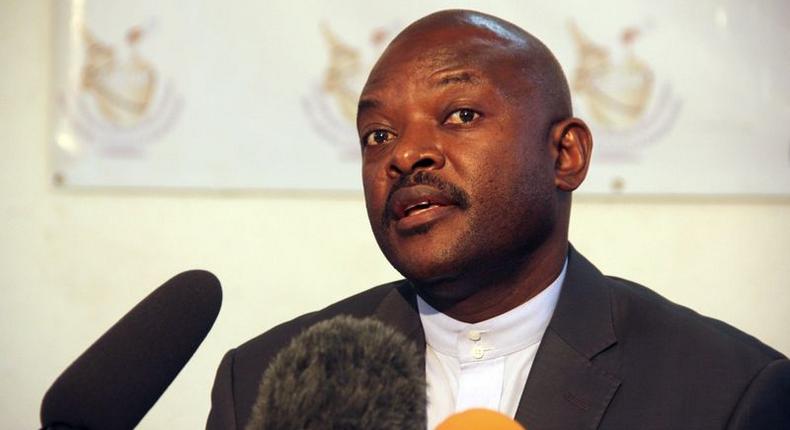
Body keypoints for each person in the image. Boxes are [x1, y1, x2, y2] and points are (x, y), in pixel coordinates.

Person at [207, 10, 790, 429]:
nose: (405, 155)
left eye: (460, 114)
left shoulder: (727, 390)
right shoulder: (263, 382)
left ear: (565, 156)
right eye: (378, 135)